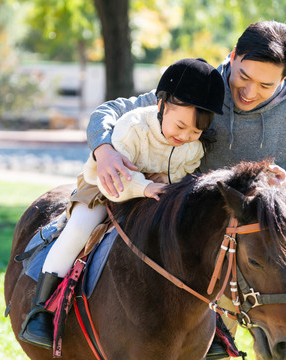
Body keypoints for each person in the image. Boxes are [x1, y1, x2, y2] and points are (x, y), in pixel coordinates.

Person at [85, 20, 286, 360]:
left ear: (284, 79)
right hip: (193, 235)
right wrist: (104, 150)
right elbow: (112, 111)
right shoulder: (204, 88)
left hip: (258, 238)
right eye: (243, 77)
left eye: (265, 85)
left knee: (279, 323)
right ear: (233, 56)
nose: (249, 91)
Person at [18, 58, 225, 349]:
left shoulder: (192, 145)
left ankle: (214, 322)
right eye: (180, 126)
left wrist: (166, 190)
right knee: (78, 229)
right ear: (161, 105)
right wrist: (147, 186)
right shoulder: (132, 128)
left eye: (194, 132)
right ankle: (41, 309)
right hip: (105, 190)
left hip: (152, 196)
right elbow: (116, 181)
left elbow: (180, 175)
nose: (184, 137)